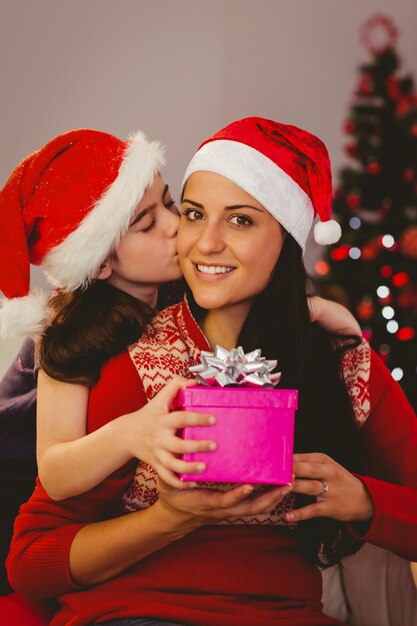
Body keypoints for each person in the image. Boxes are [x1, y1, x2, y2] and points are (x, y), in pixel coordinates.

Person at [8, 117, 417, 626]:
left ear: (286, 237)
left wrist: (363, 502)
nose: (202, 242)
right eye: (196, 213)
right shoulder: (129, 352)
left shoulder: (340, 361)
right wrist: (169, 519)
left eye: (241, 220)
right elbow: (31, 562)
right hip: (138, 613)